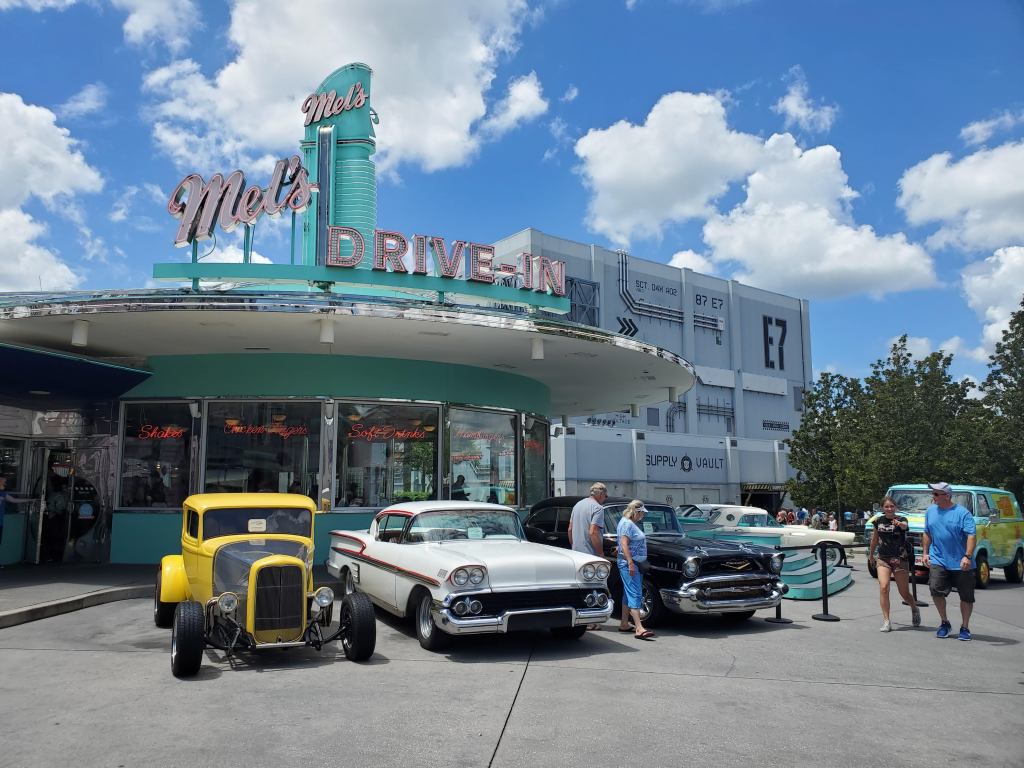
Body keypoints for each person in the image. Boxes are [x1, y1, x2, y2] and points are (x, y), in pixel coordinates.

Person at [923, 481, 977, 640]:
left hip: (961, 562)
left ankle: (965, 627)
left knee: (966, 596)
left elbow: (971, 536)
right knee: (935, 589)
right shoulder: (930, 511)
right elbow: (927, 532)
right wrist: (926, 553)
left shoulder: (963, 513)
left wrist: (967, 556)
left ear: (947, 496)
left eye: (935, 494)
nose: (933, 497)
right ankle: (944, 622)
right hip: (938, 559)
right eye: (932, 493)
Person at [868, 496, 920, 631]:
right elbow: (875, 539)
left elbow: (905, 526)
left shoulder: (901, 519)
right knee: (884, 587)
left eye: (892, 506)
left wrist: (899, 524)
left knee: (904, 592)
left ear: (895, 507)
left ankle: (914, 608)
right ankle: (886, 620)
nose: (889, 509)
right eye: (886, 506)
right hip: (883, 558)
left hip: (899, 559)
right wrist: (871, 555)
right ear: (882, 508)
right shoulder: (878, 521)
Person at [568, 482, 608, 629]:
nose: (605, 498)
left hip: (576, 552)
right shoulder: (598, 508)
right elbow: (593, 532)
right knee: (594, 588)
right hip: (590, 554)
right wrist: (601, 554)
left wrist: (573, 547)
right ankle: (591, 621)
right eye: (605, 495)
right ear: (600, 494)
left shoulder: (577, 505)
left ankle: (580, 618)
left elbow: (570, 529)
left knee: (579, 586)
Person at [615, 499, 654, 640]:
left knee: (628, 593)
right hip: (631, 564)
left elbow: (623, 543)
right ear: (636, 512)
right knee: (635, 594)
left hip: (633, 562)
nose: (642, 516)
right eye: (642, 513)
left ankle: (625, 623)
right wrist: (630, 562)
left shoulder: (627, 523)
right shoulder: (627, 524)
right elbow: (624, 543)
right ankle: (639, 627)